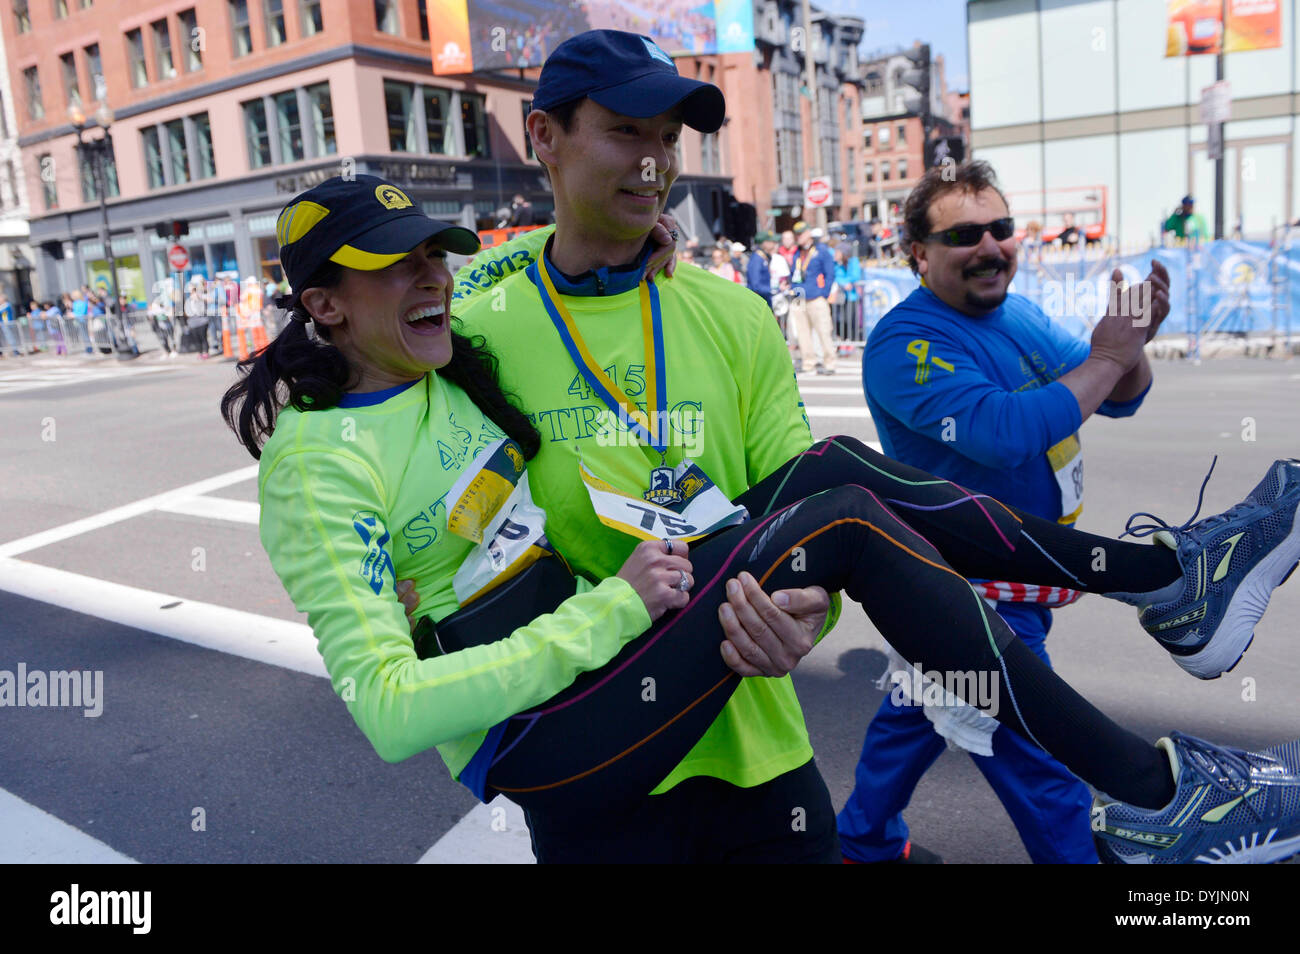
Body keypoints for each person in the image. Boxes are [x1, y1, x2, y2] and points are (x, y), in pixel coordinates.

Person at [227, 165, 1300, 867]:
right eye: (395, 264)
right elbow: (385, 708)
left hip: (609, 655)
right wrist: (602, 614)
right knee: (836, 521)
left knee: (830, 468)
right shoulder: (316, 466)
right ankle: (1150, 788)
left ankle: (1171, 583)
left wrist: (639, 245)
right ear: (323, 303)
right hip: (552, 733)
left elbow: (526, 257)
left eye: (435, 254)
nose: (431, 277)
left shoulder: (442, 366)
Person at [441, 31, 1300, 863]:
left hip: (763, 757)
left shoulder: (733, 313)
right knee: (877, 572)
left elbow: (796, 525)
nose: (656, 160)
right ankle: (1162, 635)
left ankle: (1166, 620)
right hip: (607, 743)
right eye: (626, 131)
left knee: (835, 489)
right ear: (542, 136)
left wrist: (806, 619)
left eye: (669, 137)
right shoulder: (473, 327)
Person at [839, 160, 1172, 864]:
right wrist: (1109, 359)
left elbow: (1115, 394)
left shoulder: (1013, 311)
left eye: (1001, 227)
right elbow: (1003, 432)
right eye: (964, 234)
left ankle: (860, 842)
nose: (990, 246)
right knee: (1039, 759)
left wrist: (1129, 353)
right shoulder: (904, 344)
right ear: (917, 256)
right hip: (968, 592)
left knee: (914, 715)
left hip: (1014, 575)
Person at [789, 221, 838, 374]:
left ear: (808, 233)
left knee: (823, 331)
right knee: (802, 333)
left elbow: (830, 273)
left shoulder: (821, 250)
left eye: (801, 234)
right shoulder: (797, 253)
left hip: (816, 297)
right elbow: (794, 273)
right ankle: (808, 362)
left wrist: (824, 292)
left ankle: (829, 363)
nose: (799, 237)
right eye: (797, 234)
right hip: (799, 297)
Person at [745, 231, 779, 310]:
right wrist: (774, 290)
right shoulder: (756, 259)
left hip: (765, 300)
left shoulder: (764, 258)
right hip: (758, 303)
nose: (775, 244)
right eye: (772, 241)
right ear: (764, 243)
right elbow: (755, 285)